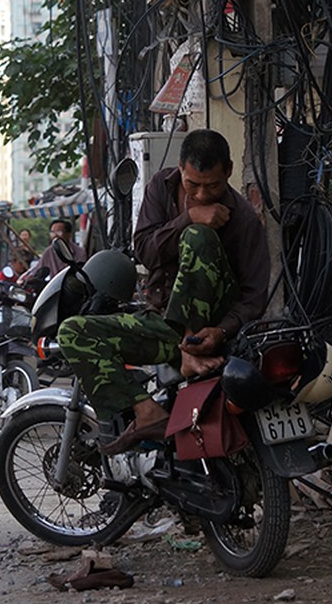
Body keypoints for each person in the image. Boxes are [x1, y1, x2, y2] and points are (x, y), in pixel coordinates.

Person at [57, 129, 270, 453]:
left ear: (228, 171)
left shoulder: (244, 219)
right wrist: (187, 218)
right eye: (192, 184)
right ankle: (147, 414)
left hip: (212, 336)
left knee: (198, 237)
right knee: (73, 332)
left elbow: (255, 295)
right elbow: (144, 251)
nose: (201, 194)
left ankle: (192, 345)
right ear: (180, 169)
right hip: (163, 324)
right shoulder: (161, 186)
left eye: (212, 185)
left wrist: (221, 330)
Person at [22, 218, 86, 283]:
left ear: (68, 234)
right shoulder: (48, 252)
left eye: (58, 232)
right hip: (55, 288)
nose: (55, 235)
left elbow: (82, 272)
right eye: (52, 232)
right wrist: (26, 278)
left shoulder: (79, 252)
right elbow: (37, 269)